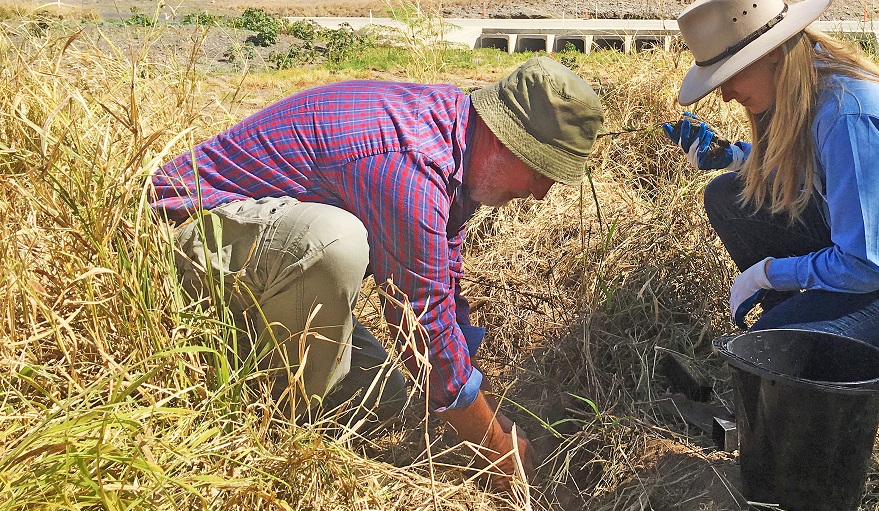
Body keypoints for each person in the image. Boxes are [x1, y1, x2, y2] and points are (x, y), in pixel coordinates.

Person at [151, 56, 604, 485]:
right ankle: (277, 442)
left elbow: (442, 276)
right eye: (541, 172)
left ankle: (250, 362)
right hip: (180, 250)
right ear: (506, 140)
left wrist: (477, 398)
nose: (542, 193)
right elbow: (419, 319)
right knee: (335, 240)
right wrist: (495, 447)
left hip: (257, 268)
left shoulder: (456, 137)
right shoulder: (408, 161)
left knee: (384, 398)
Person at [663, 0, 879, 416]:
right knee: (729, 195)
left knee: (778, 348)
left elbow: (865, 264)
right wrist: (733, 156)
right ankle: (821, 329)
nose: (724, 95)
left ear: (775, 54)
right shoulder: (805, 89)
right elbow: (814, 179)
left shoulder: (847, 113)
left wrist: (768, 273)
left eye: (730, 76)